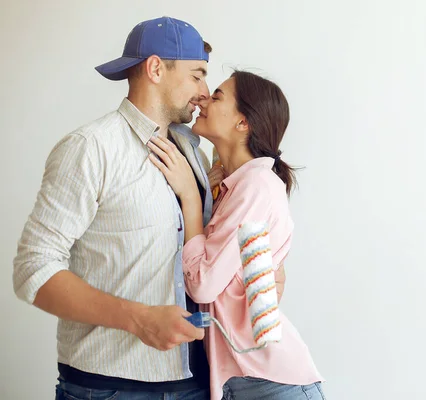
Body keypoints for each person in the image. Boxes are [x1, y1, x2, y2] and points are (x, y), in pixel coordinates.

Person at [11, 16, 287, 399]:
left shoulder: (193, 149)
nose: (205, 92)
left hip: (198, 382)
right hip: (109, 388)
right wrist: (137, 319)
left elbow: (210, 254)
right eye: (197, 75)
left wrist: (270, 271)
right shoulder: (91, 149)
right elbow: (33, 270)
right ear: (156, 68)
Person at [149, 70, 325, 400]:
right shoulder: (237, 187)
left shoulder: (256, 187)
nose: (203, 99)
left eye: (216, 97)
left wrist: (189, 196)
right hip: (246, 380)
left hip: (268, 383)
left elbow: (203, 283)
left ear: (243, 123)